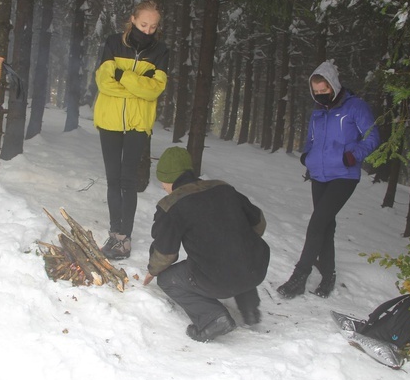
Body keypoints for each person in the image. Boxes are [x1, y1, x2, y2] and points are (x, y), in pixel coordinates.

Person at [143, 147, 271, 342]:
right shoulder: (223, 188)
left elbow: (166, 253)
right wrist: (242, 242)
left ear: (169, 179)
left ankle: (213, 318)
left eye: (162, 181)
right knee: (236, 255)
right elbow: (259, 222)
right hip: (256, 268)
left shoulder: (171, 205)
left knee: (168, 280)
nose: (162, 186)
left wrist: (153, 270)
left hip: (219, 277)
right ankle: (250, 309)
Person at [277, 61, 380, 300]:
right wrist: (307, 156)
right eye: (317, 92)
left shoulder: (356, 107)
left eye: (324, 90)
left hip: (344, 174)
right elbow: (312, 140)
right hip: (320, 174)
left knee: (316, 223)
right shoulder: (318, 111)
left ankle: (299, 277)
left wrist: (352, 156)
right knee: (326, 225)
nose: (321, 95)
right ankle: (328, 276)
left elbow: (373, 136)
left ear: (334, 85)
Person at [94, 0, 169, 260]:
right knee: (113, 179)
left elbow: (155, 89)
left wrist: (124, 76)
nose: (148, 30)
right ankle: (115, 234)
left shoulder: (161, 50)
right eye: (144, 24)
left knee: (128, 181)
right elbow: (104, 82)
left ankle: (124, 239)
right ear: (133, 20)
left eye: (153, 26)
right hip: (109, 120)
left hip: (138, 124)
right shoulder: (114, 43)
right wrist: (139, 86)